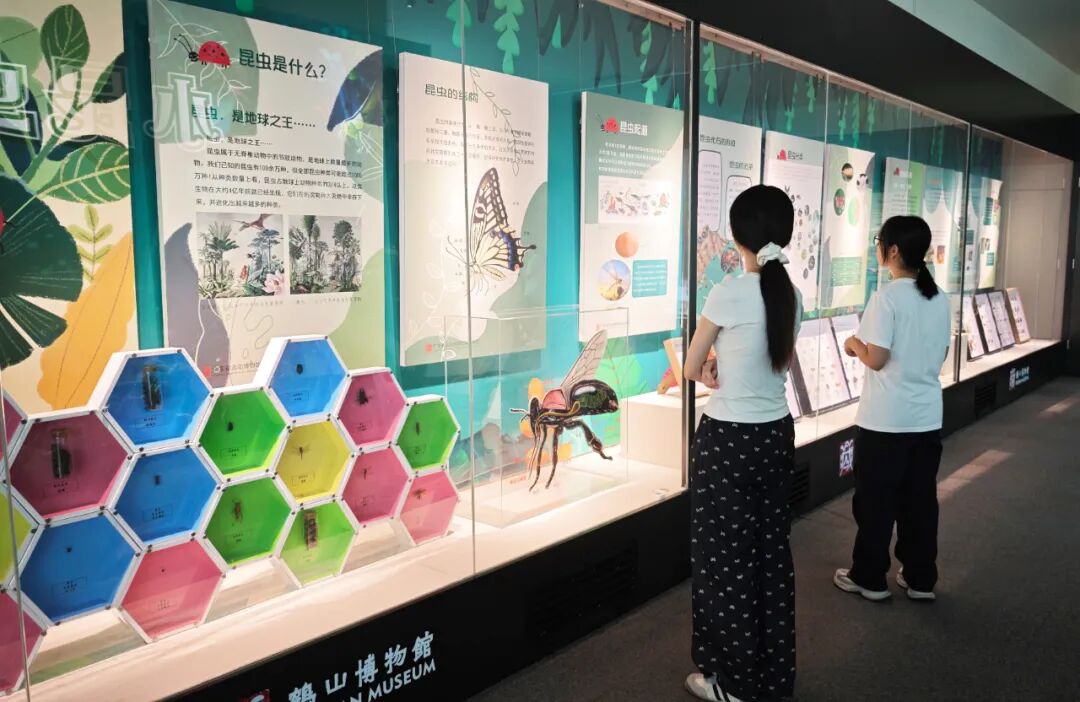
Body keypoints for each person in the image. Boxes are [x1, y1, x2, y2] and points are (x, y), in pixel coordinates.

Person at [682, 185, 803, 702]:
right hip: (776, 434)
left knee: (724, 563)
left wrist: (711, 370)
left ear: (737, 237)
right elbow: (774, 361)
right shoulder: (791, 295)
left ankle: (732, 683)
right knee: (771, 556)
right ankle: (772, 677)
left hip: (727, 441)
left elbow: (691, 367)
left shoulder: (727, 292)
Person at [833, 215, 951, 602]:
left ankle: (870, 577)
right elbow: (942, 355)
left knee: (876, 503)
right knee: (920, 502)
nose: (878, 248)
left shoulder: (885, 298)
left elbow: (877, 358)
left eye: (879, 242)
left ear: (894, 250)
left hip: (885, 421)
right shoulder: (939, 297)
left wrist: (853, 344)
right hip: (926, 419)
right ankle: (920, 579)